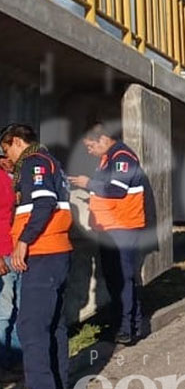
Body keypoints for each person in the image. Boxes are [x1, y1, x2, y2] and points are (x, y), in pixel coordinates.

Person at [1, 124, 72, 389]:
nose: (8, 158)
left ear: (17, 141)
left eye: (7, 150)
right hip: (56, 253)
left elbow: (44, 202)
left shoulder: (34, 163)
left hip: (43, 254)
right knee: (53, 325)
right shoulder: (50, 161)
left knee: (30, 326)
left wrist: (23, 242)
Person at [68, 124, 151, 345]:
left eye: (90, 146)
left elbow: (117, 190)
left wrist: (89, 184)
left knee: (124, 279)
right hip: (109, 230)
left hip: (123, 228)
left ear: (103, 139)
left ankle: (129, 328)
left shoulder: (122, 157)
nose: (89, 151)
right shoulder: (107, 160)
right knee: (115, 279)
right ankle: (122, 325)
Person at [0, 156, 20, 375]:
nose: (8, 160)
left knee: (15, 310)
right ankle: (5, 364)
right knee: (4, 312)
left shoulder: (9, 179)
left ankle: (15, 359)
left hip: (14, 250)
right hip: (3, 251)